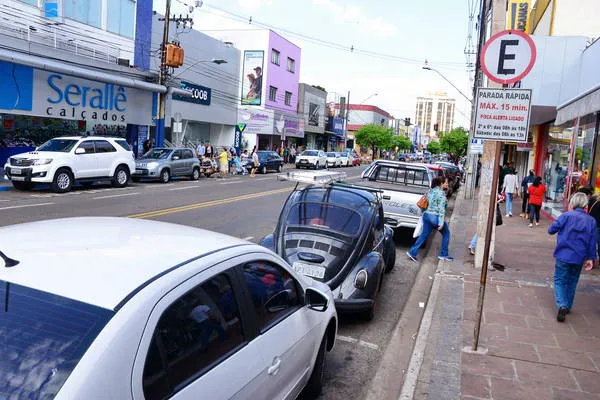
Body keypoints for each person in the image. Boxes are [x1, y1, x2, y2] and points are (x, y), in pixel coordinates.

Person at [548, 192, 597, 322]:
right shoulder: (591, 221)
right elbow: (592, 242)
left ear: (572, 204)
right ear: (585, 206)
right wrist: (591, 259)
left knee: (559, 280)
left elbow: (551, 230)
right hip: (579, 257)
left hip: (563, 255)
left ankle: (562, 304)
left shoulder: (566, 216)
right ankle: (567, 305)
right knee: (572, 280)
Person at [407, 177, 453, 262]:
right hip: (435, 217)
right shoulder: (441, 194)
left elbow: (424, 204)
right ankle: (443, 254)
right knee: (446, 233)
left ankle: (412, 252)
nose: (447, 184)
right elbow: (441, 209)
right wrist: (441, 222)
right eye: (446, 183)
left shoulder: (430, 191)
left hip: (426, 216)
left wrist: (423, 215)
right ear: (441, 184)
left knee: (424, 235)